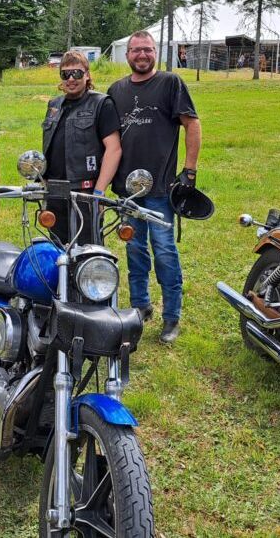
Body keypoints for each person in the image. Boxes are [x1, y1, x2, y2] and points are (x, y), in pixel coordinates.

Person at [108, 30, 201, 345]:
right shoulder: (116, 90)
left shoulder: (170, 84)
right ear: (128, 54)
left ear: (155, 52)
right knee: (134, 251)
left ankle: (171, 316)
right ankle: (139, 307)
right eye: (136, 51)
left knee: (164, 252)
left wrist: (189, 171)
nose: (142, 55)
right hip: (127, 192)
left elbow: (192, 124)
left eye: (147, 50)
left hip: (160, 189)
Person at [41, 51, 122, 245]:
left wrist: (99, 194)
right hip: (55, 191)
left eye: (76, 73)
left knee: (87, 253)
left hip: (84, 193)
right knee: (56, 251)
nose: (71, 79)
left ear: (87, 75)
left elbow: (114, 149)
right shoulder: (54, 105)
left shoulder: (102, 103)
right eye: (65, 74)